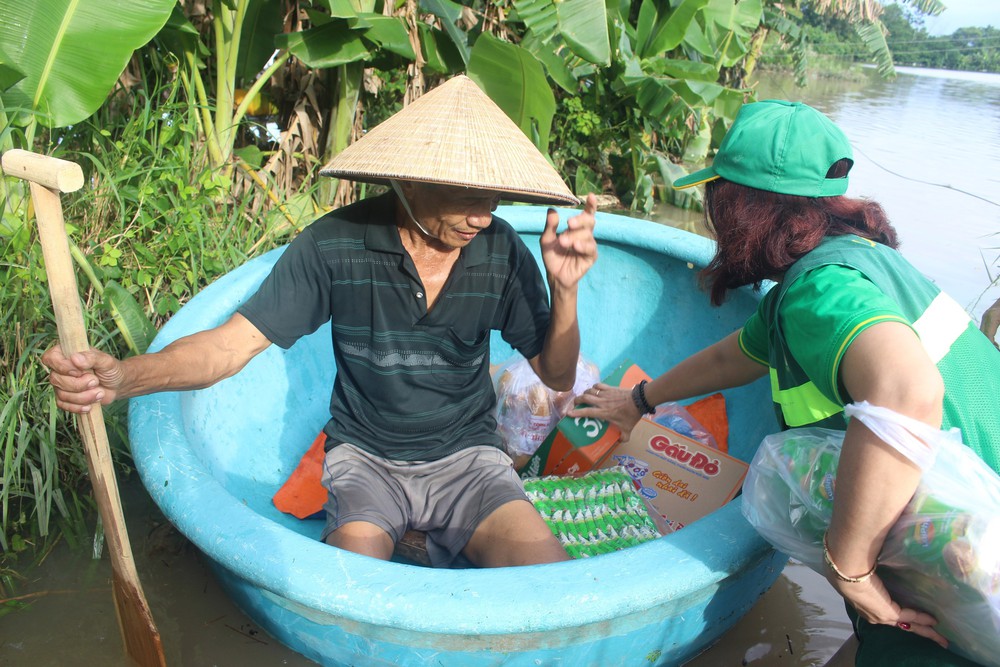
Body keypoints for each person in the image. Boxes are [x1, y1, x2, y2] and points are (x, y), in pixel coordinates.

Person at [42, 75, 598, 569]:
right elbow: (228, 348)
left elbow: (555, 375)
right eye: (466, 197)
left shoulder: (500, 250)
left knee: (548, 579)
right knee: (353, 592)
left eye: (492, 198)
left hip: (469, 459)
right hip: (367, 461)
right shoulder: (335, 244)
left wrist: (566, 290)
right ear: (407, 181)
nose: (481, 216)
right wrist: (124, 378)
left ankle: (432, 540)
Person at [570, 100, 1000, 666]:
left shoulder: (818, 291)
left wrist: (849, 567)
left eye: (716, 200)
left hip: (965, 559)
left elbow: (907, 391)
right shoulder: (853, 262)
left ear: (743, 209)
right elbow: (734, 356)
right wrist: (640, 399)